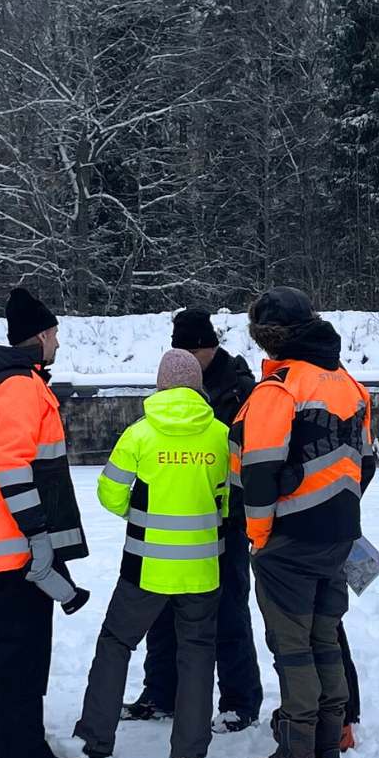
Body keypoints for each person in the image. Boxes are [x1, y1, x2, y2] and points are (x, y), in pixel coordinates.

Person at [231, 287, 374, 758]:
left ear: (268, 339)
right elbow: (367, 461)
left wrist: (259, 536)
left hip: (289, 539)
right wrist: (339, 509)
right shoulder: (347, 383)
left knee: (293, 649)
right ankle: (328, 745)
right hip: (337, 535)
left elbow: (259, 471)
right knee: (325, 641)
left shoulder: (280, 389)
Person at [75, 349, 230, 758]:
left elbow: (109, 493)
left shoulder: (139, 434)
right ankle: (189, 752)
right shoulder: (219, 434)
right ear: (197, 385)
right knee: (197, 654)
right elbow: (230, 498)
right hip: (202, 568)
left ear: (160, 384)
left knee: (115, 644)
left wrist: (136, 515)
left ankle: (96, 737)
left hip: (144, 567)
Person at [0, 286, 91, 758]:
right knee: (22, 652)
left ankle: (4, 742)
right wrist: (37, 532)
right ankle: (23, 753)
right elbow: (12, 465)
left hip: (5, 543)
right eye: (54, 332)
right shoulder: (18, 386)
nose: (58, 340)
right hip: (21, 545)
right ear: (38, 335)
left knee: (3, 646)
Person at [125, 309, 263, 733]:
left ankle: (240, 701)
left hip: (225, 525)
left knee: (229, 611)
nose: (182, 361)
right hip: (174, 524)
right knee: (163, 612)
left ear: (207, 348)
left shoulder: (240, 391)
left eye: (189, 351)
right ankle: (161, 693)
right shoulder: (184, 385)